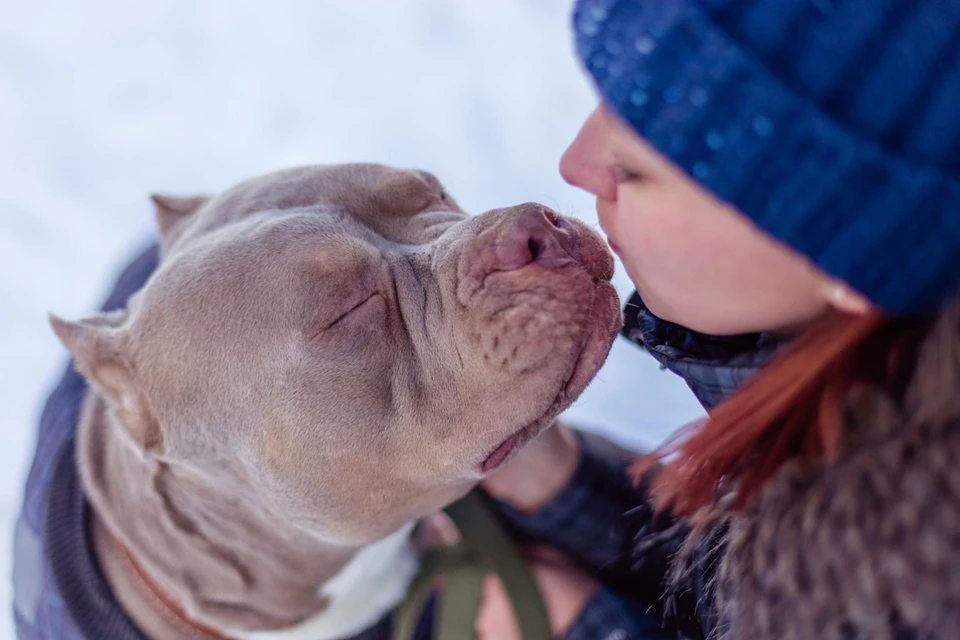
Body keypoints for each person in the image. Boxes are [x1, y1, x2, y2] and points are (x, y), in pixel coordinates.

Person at [479, 0, 960, 638]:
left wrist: (584, 627)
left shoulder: (929, 585)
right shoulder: (875, 431)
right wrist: (568, 490)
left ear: (854, 254)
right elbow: (740, 577)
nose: (576, 163)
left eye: (636, 167)